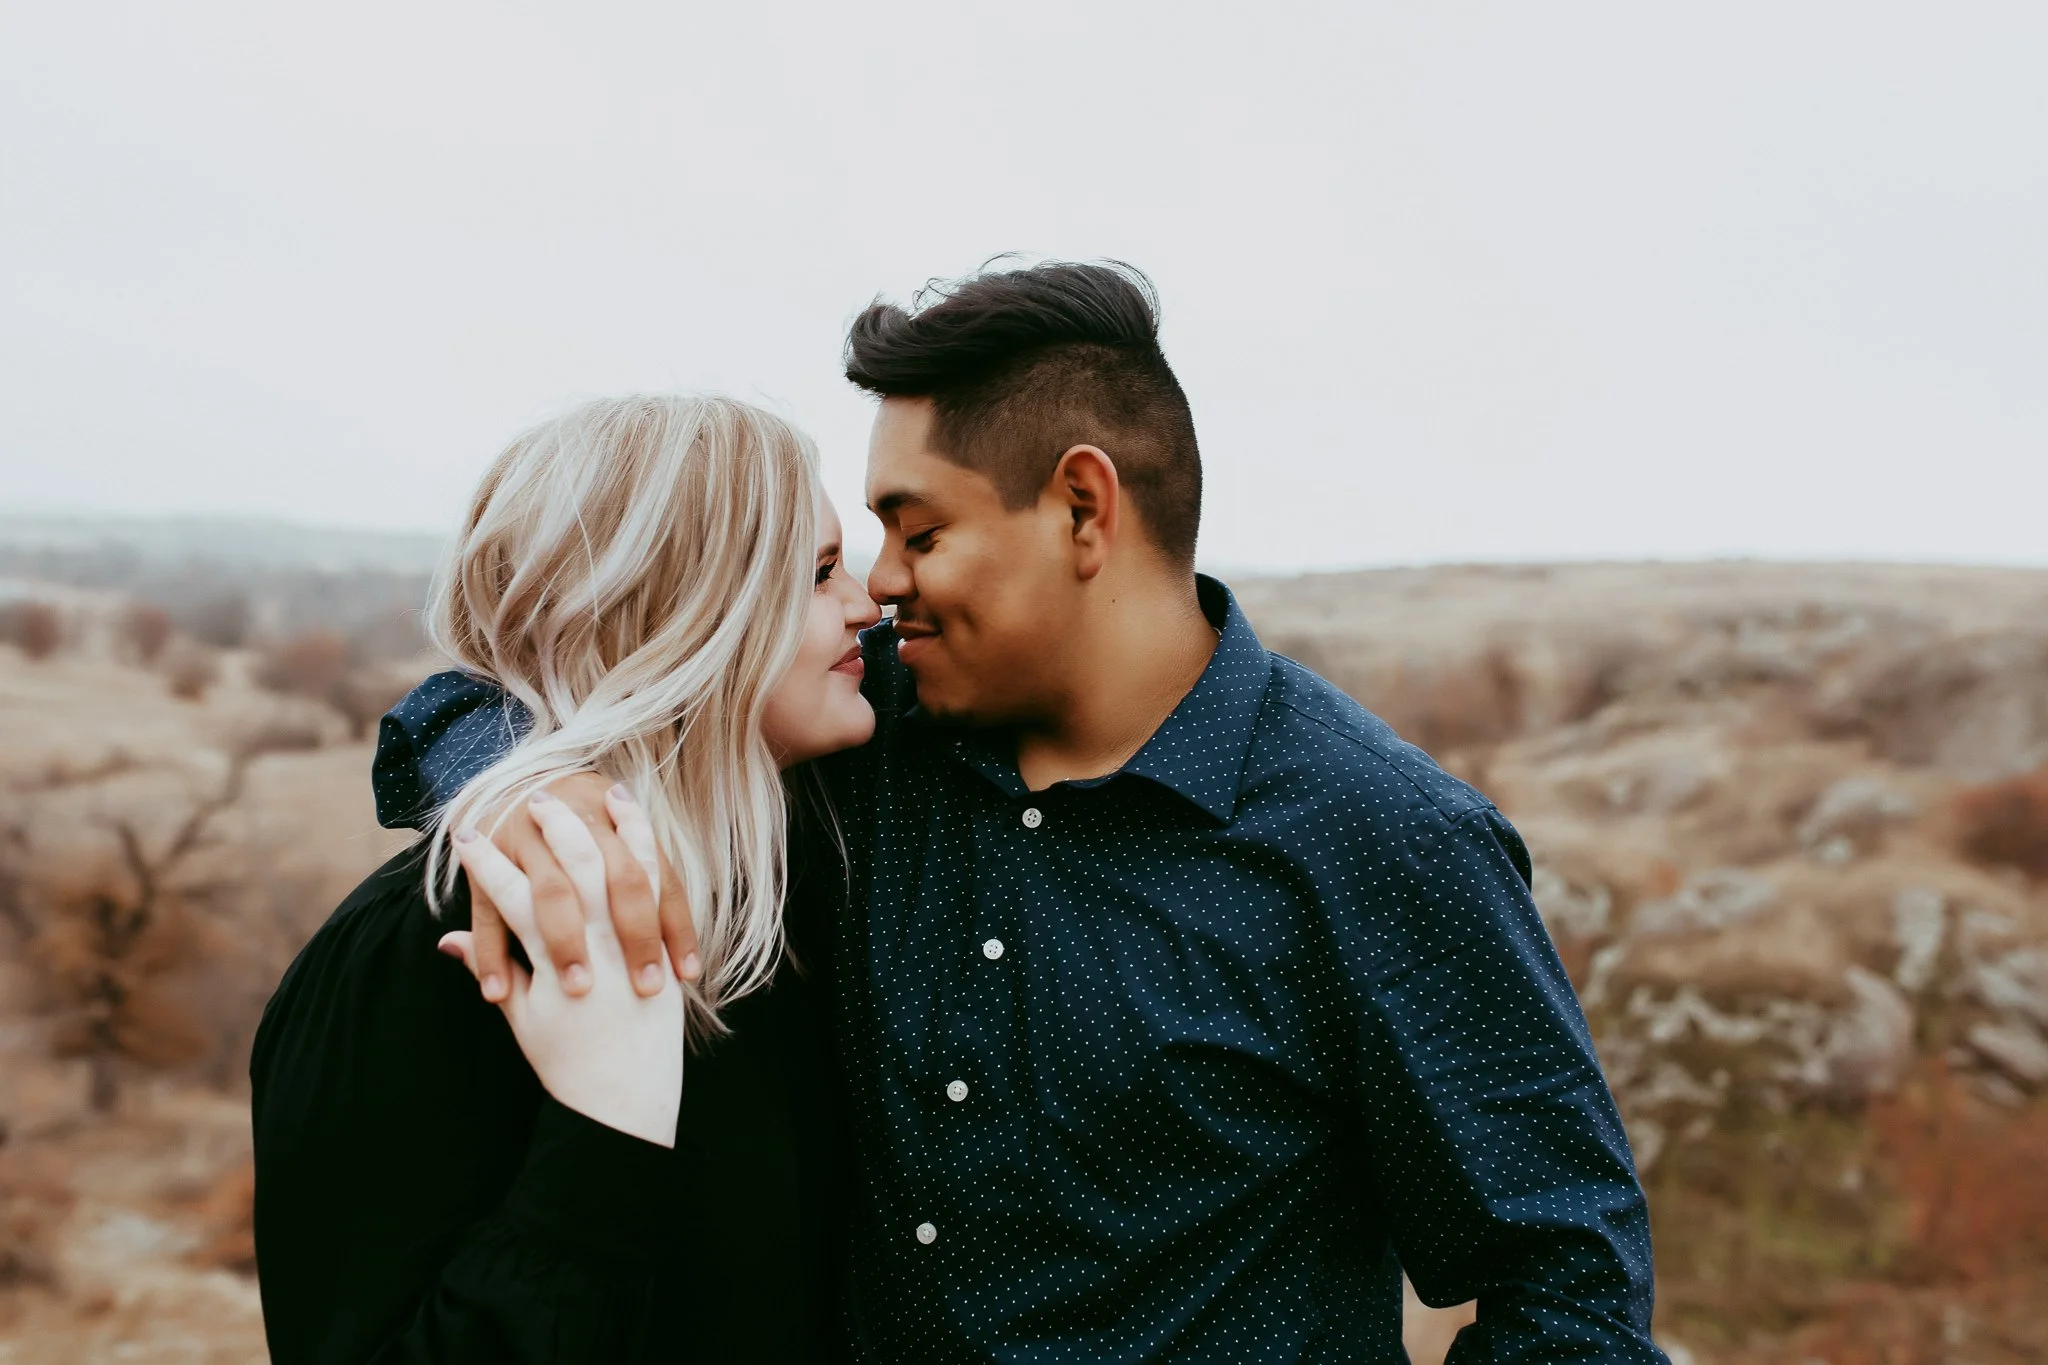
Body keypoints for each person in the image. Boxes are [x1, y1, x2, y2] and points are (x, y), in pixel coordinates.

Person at [377, 262, 1668, 1361]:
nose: (880, 582)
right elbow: (494, 697)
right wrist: (534, 789)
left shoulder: (1379, 842)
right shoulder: (868, 739)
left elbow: (1568, 1287)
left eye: (918, 531)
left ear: (1081, 508)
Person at [250, 393, 881, 1363]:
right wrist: (605, 1129)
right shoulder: (427, 950)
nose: (868, 606)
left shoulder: (787, 877)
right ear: (679, 618)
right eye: (821, 573)